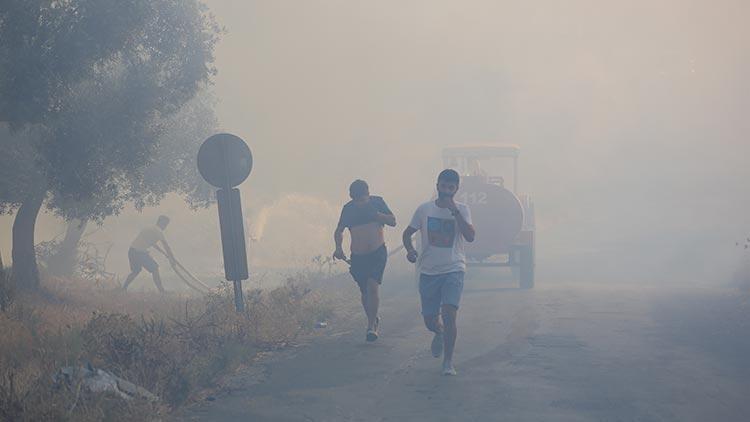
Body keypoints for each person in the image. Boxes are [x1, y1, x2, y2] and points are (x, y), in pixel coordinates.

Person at [402, 169, 475, 375]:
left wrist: (455, 212)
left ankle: (448, 362)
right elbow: (407, 234)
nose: (447, 191)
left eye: (451, 188)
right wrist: (410, 251)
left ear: (456, 189)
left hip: (454, 268)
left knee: (450, 314)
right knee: (430, 320)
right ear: (437, 186)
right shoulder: (424, 209)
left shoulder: (463, 209)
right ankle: (439, 332)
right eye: (444, 186)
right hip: (428, 271)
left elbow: (470, 236)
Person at [333, 180, 396, 342]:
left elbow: (393, 221)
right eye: (357, 201)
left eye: (363, 200)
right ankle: (373, 318)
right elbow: (339, 230)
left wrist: (377, 215)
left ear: (368, 194)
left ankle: (370, 326)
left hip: (377, 252)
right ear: (351, 198)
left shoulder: (377, 202)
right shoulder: (348, 209)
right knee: (364, 291)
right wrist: (338, 248)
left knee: (372, 286)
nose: (361, 203)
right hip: (358, 256)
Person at [121, 215, 176, 293]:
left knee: (135, 271)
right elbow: (166, 246)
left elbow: (152, 243)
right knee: (155, 269)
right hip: (139, 252)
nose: (165, 227)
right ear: (161, 223)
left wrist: (164, 254)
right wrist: (172, 258)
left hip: (132, 251)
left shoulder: (149, 228)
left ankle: (123, 288)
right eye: (165, 224)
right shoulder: (158, 231)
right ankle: (162, 291)